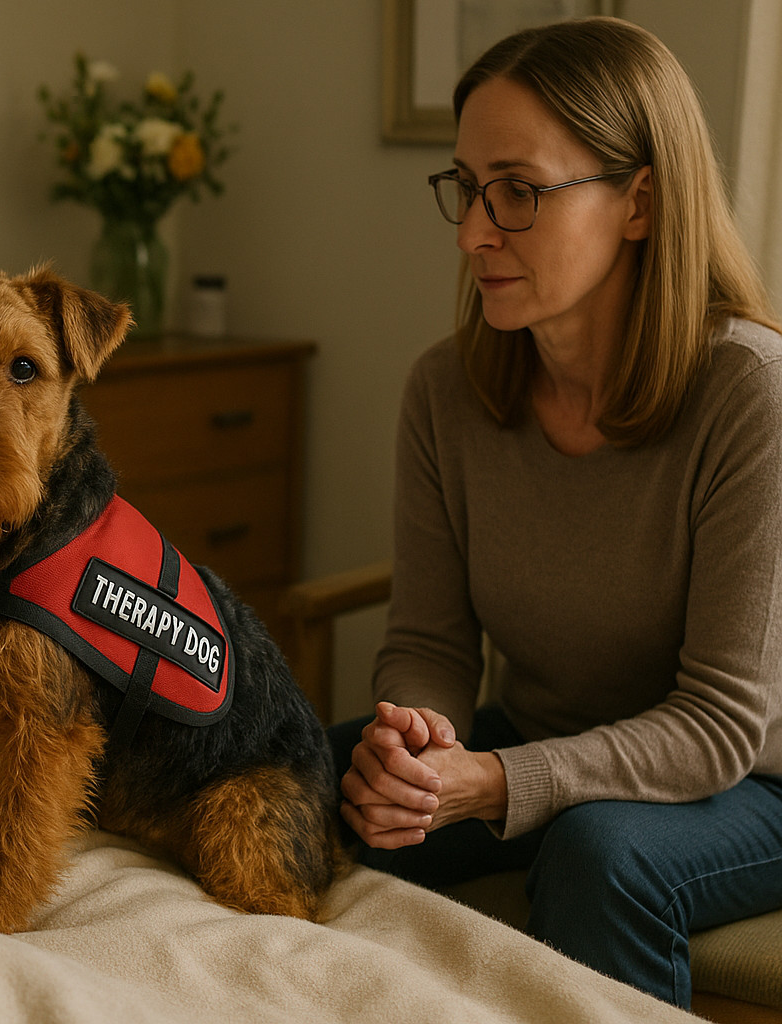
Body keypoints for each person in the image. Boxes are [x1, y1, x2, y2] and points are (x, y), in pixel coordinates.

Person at [332, 16, 782, 1009]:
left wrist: (496, 782)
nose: (472, 232)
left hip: (751, 781)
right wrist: (419, 741)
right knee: (315, 781)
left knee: (600, 852)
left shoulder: (750, 391)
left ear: (640, 202)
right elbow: (429, 640)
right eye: (466, 186)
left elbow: (719, 726)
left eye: (518, 191)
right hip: (540, 737)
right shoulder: (445, 391)